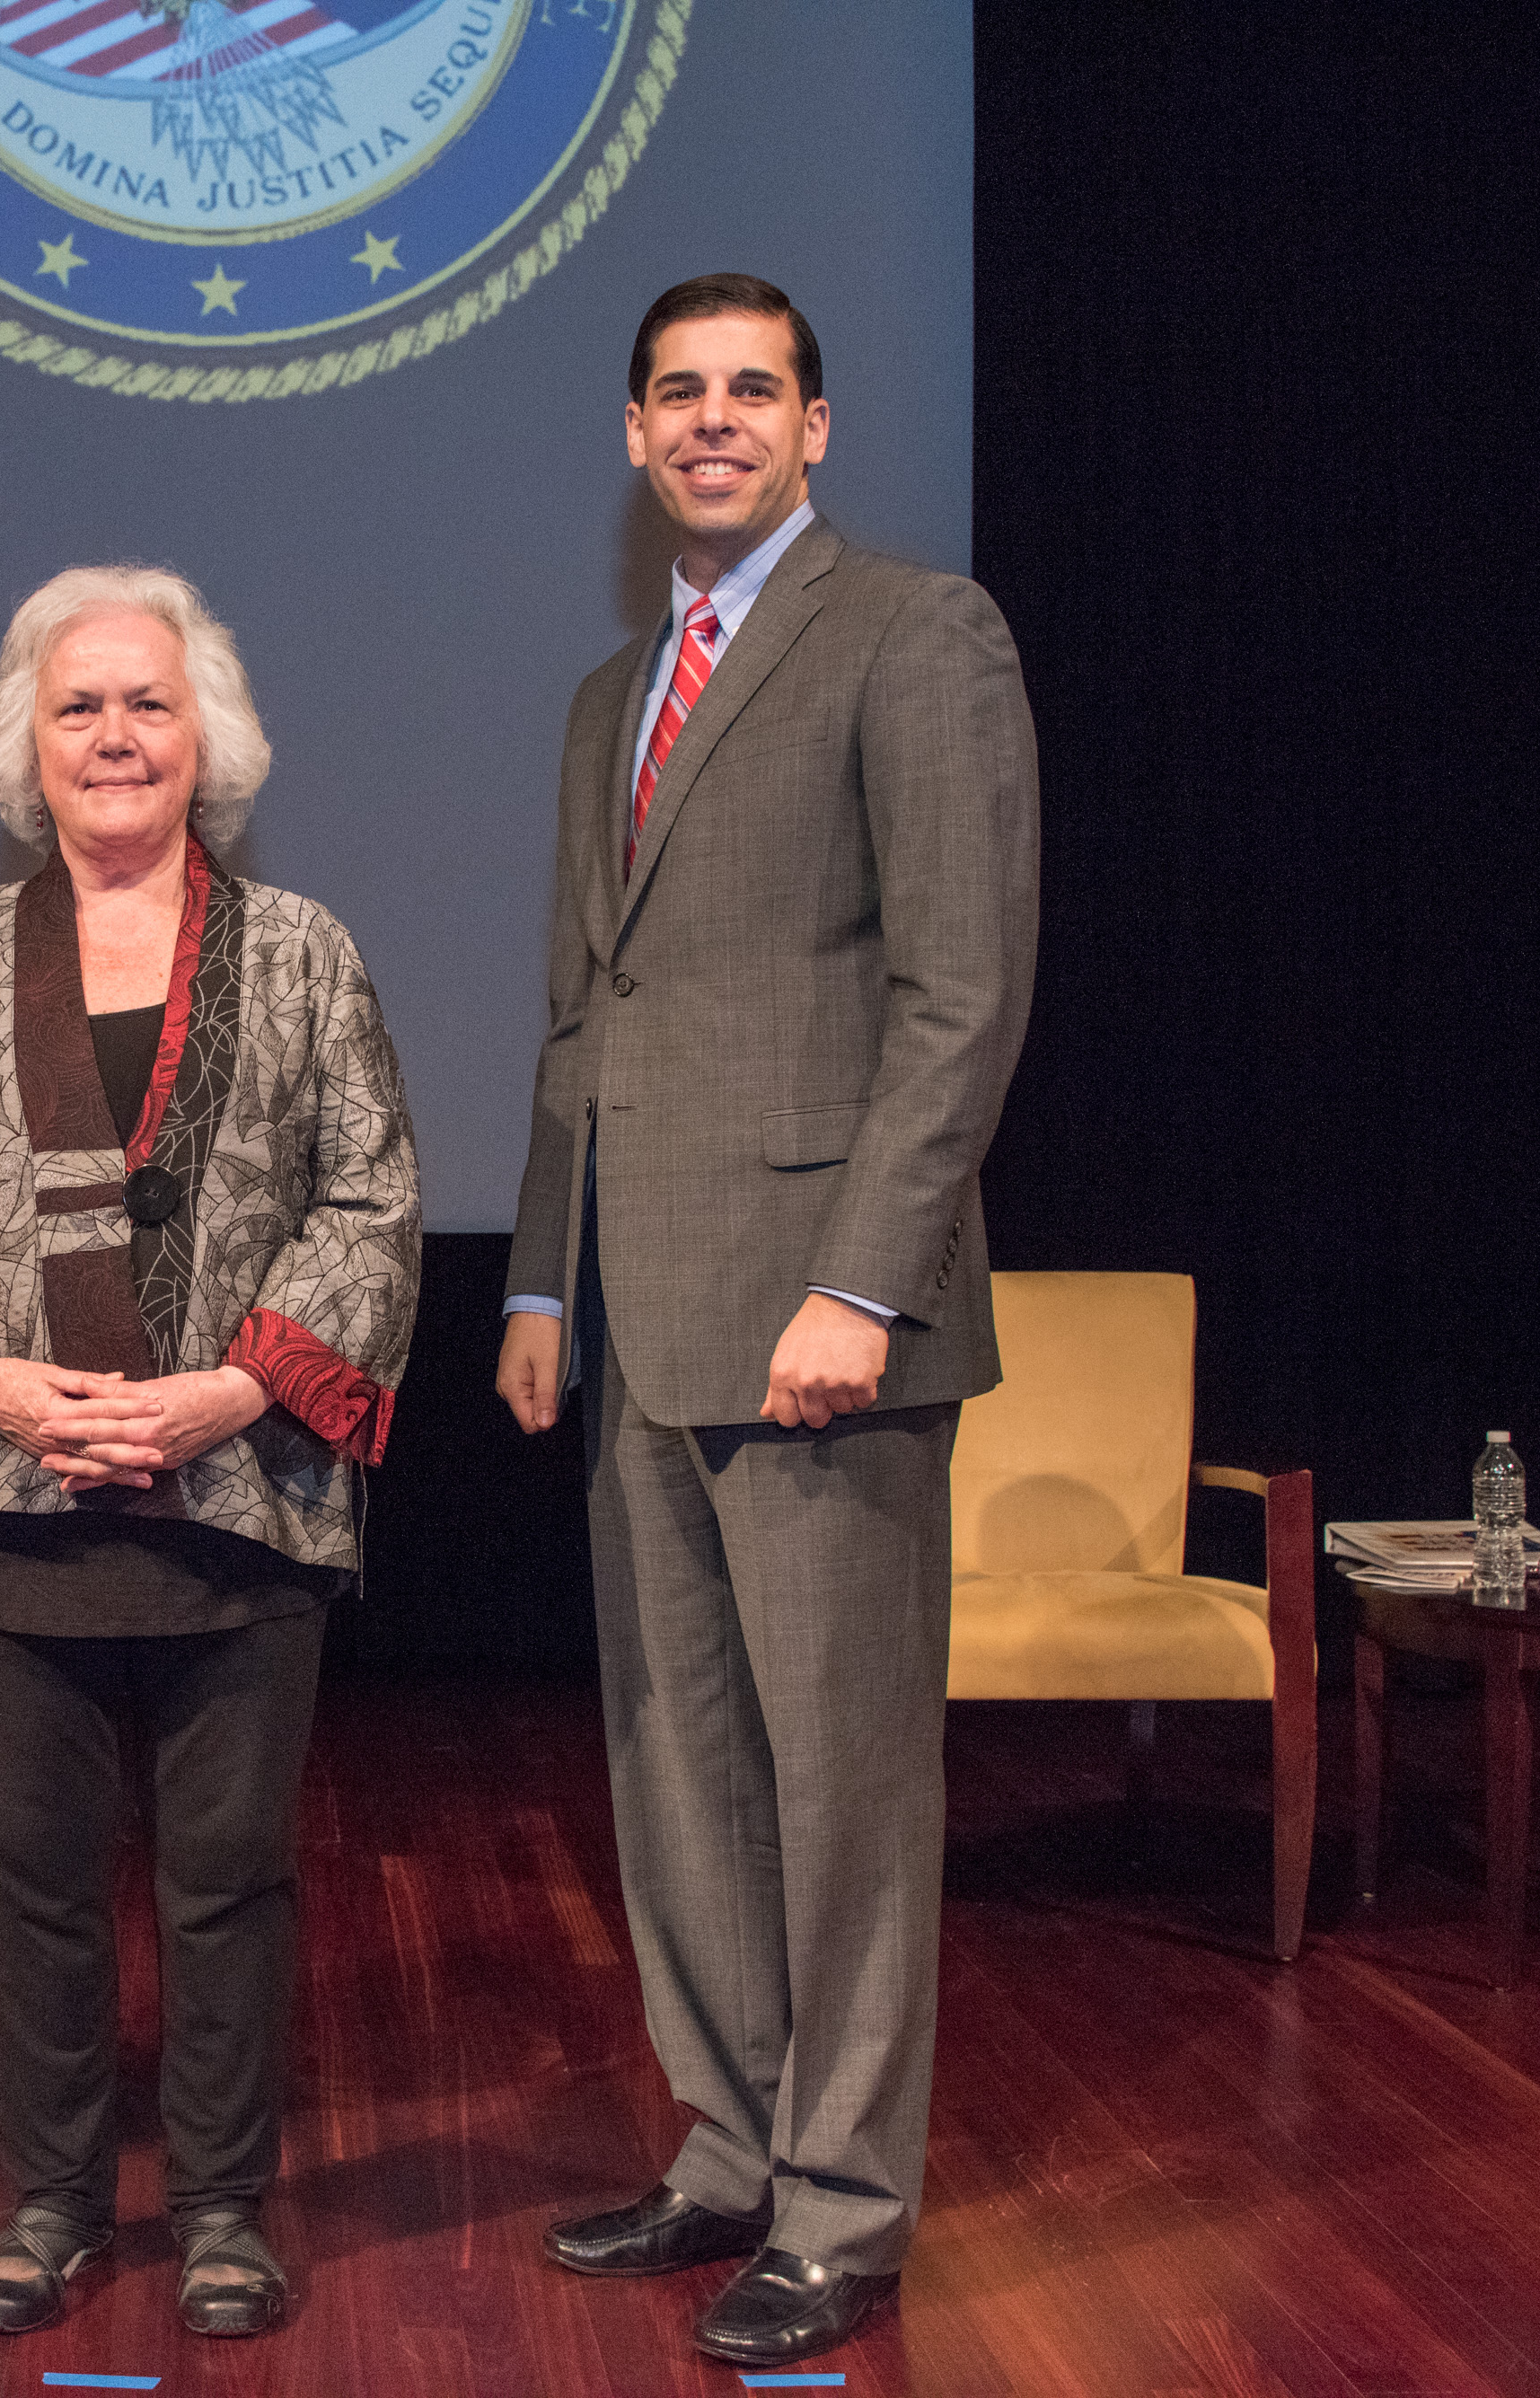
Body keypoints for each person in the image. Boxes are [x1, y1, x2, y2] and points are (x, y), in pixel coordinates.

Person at [495, 277, 1039, 2369]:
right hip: (639, 1316)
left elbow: (958, 995)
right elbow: (583, 1015)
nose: (713, 422)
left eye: (753, 392)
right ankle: (725, 2150)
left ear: (815, 428)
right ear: (633, 437)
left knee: (838, 1791)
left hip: (824, 1321)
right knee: (676, 1771)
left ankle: (840, 2206)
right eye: (676, 395)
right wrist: (543, 1276)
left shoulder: (916, 635)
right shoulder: (602, 695)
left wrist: (862, 1283)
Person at [0, 565, 418, 2341]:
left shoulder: (303, 950)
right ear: (26, 746)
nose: (111, 736)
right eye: (75, 707)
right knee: (24, 1881)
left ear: (205, 739)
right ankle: (54, 2201)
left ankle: (224, 2210)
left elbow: (373, 1205)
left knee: (228, 1881)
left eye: (145, 703)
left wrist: (229, 1391)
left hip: (240, 1500)